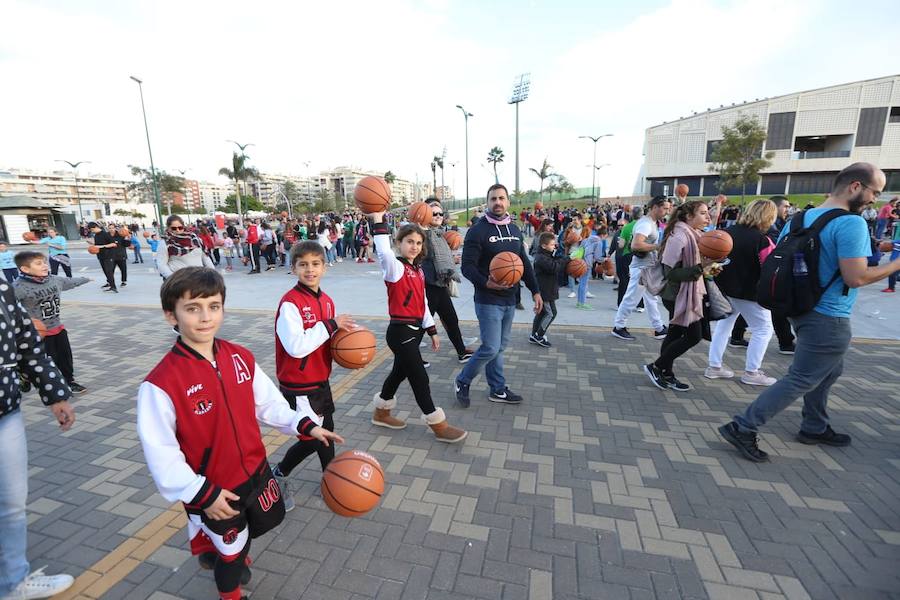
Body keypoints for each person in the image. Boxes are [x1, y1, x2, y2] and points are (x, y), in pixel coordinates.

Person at [137, 267, 343, 600]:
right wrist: (200, 493)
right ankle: (229, 591)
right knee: (231, 558)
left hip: (255, 472)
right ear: (170, 315)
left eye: (214, 306)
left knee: (254, 529)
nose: (205, 317)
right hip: (214, 489)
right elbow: (160, 452)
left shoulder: (239, 357)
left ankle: (221, 551)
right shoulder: (160, 384)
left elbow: (270, 405)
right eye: (193, 308)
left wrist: (305, 425)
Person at [719, 162, 900, 462]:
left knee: (830, 369)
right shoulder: (851, 223)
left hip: (800, 307)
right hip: (828, 315)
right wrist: (895, 264)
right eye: (875, 192)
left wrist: (877, 246)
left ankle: (814, 426)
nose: (875, 200)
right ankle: (743, 426)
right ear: (856, 186)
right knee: (803, 377)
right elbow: (856, 277)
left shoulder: (800, 218)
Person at [0, 281, 76, 600]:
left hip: (4, 411)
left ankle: (13, 581)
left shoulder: (1, 286)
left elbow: (28, 343)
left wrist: (55, 394)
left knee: (12, 503)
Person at [368, 211, 467, 442]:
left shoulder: (418, 270)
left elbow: (422, 303)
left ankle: (381, 412)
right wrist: (379, 220)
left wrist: (432, 330)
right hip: (400, 331)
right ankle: (437, 424)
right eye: (409, 241)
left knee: (398, 373)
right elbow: (383, 252)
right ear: (399, 243)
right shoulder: (395, 268)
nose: (414, 246)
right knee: (419, 377)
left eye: (418, 242)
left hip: (414, 331)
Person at [271, 241, 356, 511]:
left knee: (326, 430)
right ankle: (278, 475)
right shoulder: (290, 304)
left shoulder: (327, 301)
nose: (310, 269)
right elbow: (296, 347)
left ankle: (330, 480)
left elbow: (328, 339)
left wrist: (350, 347)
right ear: (294, 267)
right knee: (312, 438)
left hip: (319, 379)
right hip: (298, 383)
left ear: (324, 266)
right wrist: (330, 325)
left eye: (315, 264)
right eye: (303, 264)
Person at [454, 184, 542, 407]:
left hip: (510, 299)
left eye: (501, 198)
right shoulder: (478, 230)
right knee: (491, 347)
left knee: (500, 348)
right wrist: (487, 282)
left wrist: (536, 291)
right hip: (487, 299)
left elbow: (523, 264)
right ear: (487, 202)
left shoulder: (514, 230)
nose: (498, 202)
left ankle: (497, 388)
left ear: (508, 202)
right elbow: (467, 267)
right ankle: (463, 380)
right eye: (493, 198)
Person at [644, 200, 721, 392]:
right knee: (693, 336)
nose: (708, 217)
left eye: (707, 213)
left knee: (675, 334)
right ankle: (655, 367)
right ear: (688, 216)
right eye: (703, 213)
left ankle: (666, 373)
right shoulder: (679, 237)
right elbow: (671, 273)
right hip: (677, 295)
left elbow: (691, 268)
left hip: (688, 293)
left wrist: (707, 270)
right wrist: (700, 268)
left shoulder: (695, 235)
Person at [705, 200, 778, 386]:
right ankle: (752, 372)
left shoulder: (727, 233)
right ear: (769, 216)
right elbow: (770, 269)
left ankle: (714, 366)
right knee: (763, 328)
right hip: (749, 292)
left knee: (723, 327)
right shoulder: (762, 240)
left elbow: (714, 261)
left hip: (725, 289)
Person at [13, 251, 90, 394]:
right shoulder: (18, 287)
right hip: (37, 333)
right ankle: (24, 374)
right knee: (46, 362)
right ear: (25, 269)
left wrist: (85, 279)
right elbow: (7, 307)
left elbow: (71, 282)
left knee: (65, 357)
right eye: (38, 263)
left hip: (57, 327)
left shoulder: (54, 279)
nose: (44, 265)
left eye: (44, 262)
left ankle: (69, 382)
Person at [422, 200, 474, 363]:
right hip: (428, 286)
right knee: (422, 323)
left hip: (440, 284)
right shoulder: (423, 234)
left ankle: (461, 352)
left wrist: (451, 260)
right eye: (433, 213)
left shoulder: (438, 234)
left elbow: (440, 259)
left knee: (451, 319)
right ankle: (408, 359)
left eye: (440, 213)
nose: (437, 216)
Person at [612, 196, 671, 341]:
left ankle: (659, 328)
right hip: (641, 267)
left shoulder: (651, 223)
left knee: (651, 299)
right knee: (632, 297)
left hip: (647, 266)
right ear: (655, 207)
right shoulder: (646, 224)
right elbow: (636, 245)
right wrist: (659, 247)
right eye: (665, 208)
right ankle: (619, 326)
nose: (666, 211)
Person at [529, 232, 567, 347]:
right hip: (544, 292)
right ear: (543, 246)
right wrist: (567, 259)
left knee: (541, 313)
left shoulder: (546, 255)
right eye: (551, 244)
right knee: (551, 313)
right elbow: (554, 267)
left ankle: (534, 334)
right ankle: (539, 335)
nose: (554, 246)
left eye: (554, 244)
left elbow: (555, 261)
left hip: (547, 290)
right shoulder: (541, 258)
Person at [158, 215, 214, 279]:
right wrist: (173, 279)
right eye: (174, 228)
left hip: (199, 278)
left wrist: (213, 274)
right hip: (180, 279)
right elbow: (161, 264)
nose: (177, 230)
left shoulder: (195, 239)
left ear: (183, 226)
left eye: (180, 227)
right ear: (168, 228)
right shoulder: (166, 242)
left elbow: (205, 257)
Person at [88, 222, 119, 293]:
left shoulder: (105, 234)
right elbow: (97, 245)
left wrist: (102, 246)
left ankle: (113, 287)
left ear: (95, 227)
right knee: (105, 272)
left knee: (109, 272)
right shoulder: (96, 235)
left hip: (108, 255)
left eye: (92, 230)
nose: (92, 231)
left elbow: (113, 244)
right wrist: (92, 244)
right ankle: (111, 285)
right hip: (100, 256)